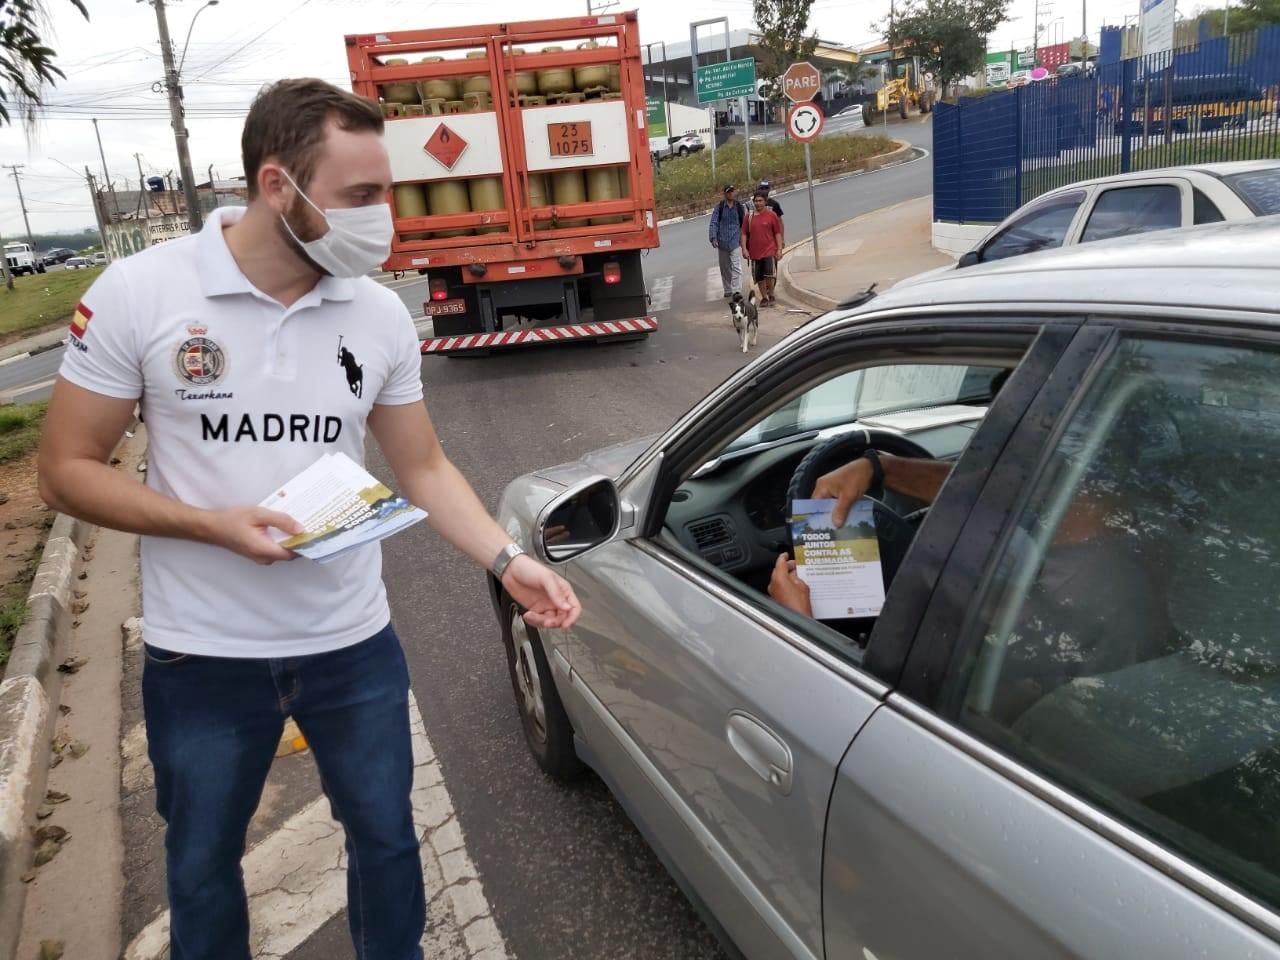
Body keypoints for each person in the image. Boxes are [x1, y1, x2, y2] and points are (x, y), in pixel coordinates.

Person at [37, 78, 582, 960]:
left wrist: (505, 557)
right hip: (203, 654)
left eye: (387, 194)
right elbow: (62, 470)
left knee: (388, 843)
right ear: (277, 186)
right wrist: (213, 525)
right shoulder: (143, 294)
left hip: (351, 645)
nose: (382, 218)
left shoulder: (375, 314)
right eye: (360, 197)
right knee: (203, 865)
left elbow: (423, 466)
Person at [742, 190, 784, 306]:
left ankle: (771, 294)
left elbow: (777, 233)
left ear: (765, 202)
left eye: (760, 201)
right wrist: (744, 249)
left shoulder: (772, 215)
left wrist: (779, 249)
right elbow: (744, 233)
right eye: (756, 201)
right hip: (755, 253)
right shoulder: (748, 217)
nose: (758, 203)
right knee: (759, 277)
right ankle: (764, 298)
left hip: (769, 250)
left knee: (770, 274)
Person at [709, 184, 747, 299]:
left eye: (732, 192)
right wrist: (713, 238)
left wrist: (744, 239)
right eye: (728, 192)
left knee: (736, 267)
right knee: (725, 267)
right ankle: (728, 289)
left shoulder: (739, 207)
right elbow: (714, 223)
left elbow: (744, 224)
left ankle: (737, 290)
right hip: (722, 242)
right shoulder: (719, 207)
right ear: (725, 194)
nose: (730, 194)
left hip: (735, 241)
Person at [756, 179, 785, 244]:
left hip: (772, 240)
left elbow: (780, 222)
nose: (764, 190)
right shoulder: (752, 204)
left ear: (769, 189)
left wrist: (782, 239)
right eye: (762, 188)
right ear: (758, 189)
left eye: (766, 188)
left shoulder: (774, 204)